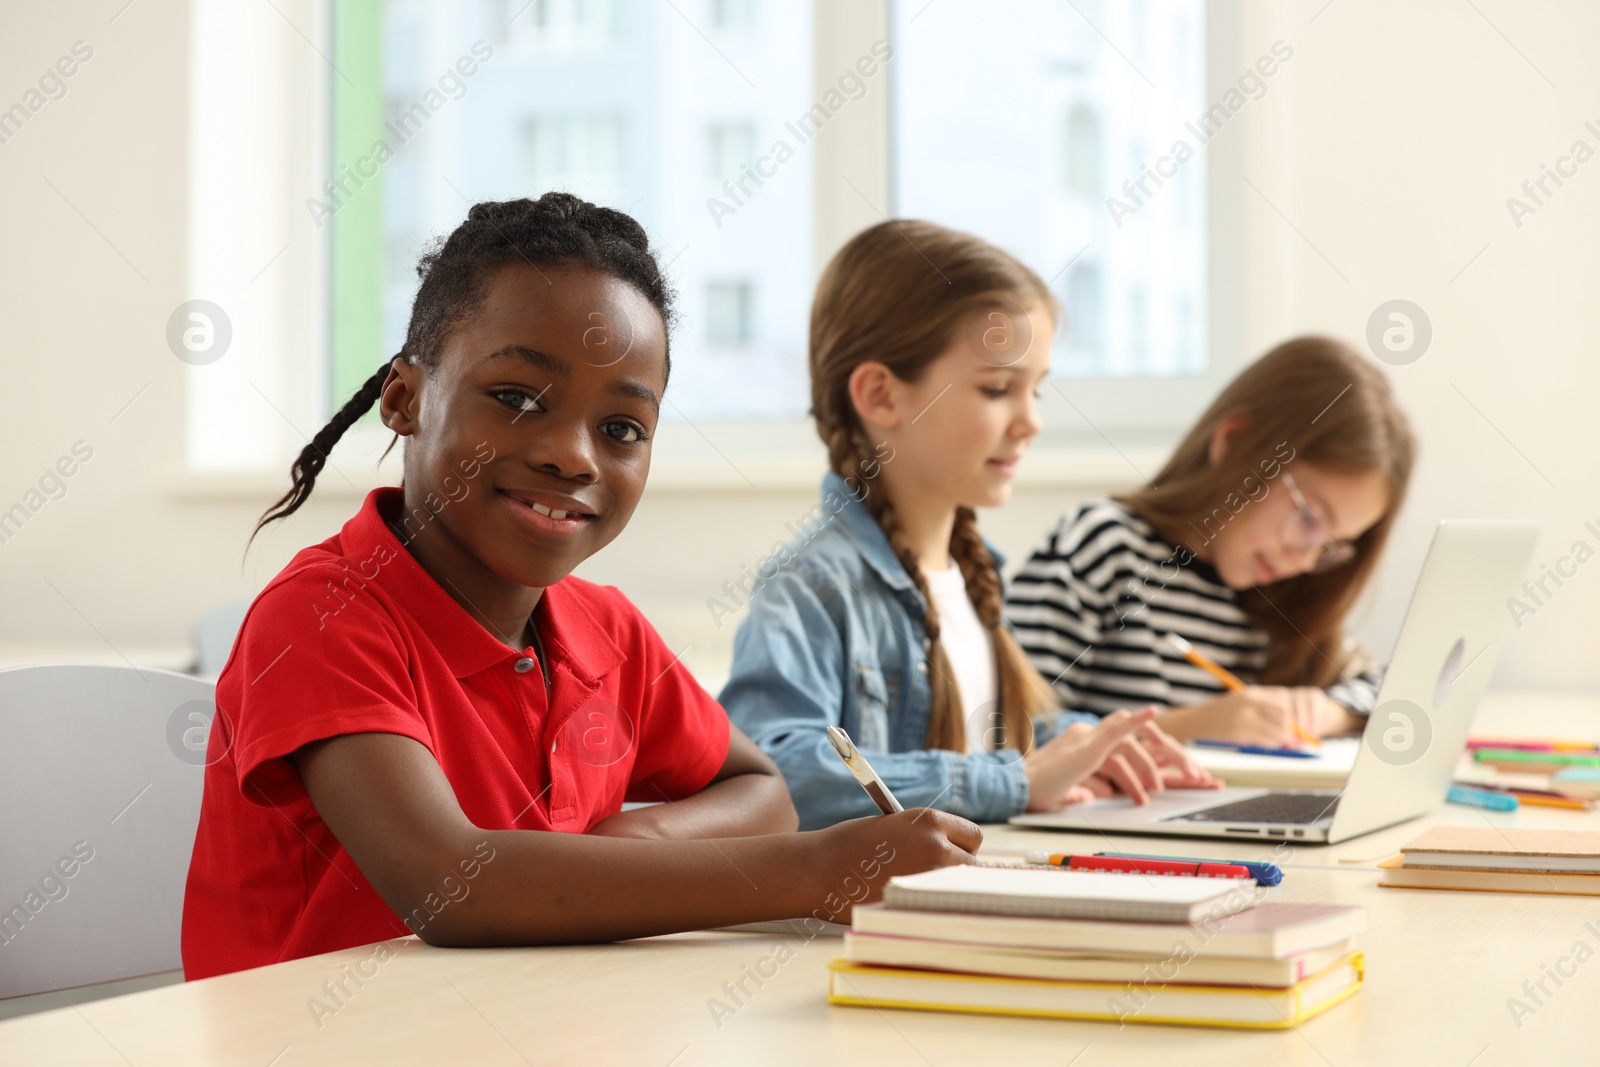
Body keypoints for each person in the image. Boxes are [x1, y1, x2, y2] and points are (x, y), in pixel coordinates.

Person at [180, 195, 980, 980]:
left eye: (622, 428)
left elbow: (760, 789)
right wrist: (816, 872)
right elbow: (449, 882)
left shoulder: (607, 631)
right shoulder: (322, 615)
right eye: (517, 398)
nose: (573, 456)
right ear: (404, 400)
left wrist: (628, 850)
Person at [720, 220, 1214, 831]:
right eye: (999, 388)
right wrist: (1016, 782)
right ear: (881, 396)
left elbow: (978, 740)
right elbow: (776, 775)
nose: (1030, 421)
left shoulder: (974, 573)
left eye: (1037, 391)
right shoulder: (810, 584)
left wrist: (1086, 743)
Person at [1006, 336, 1416, 747]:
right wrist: (1191, 728)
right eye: (1309, 520)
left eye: (1332, 545)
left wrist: (1330, 712)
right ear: (1235, 442)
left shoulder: (1285, 597)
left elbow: (1392, 686)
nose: (1307, 559)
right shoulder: (1105, 546)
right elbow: (1008, 726)